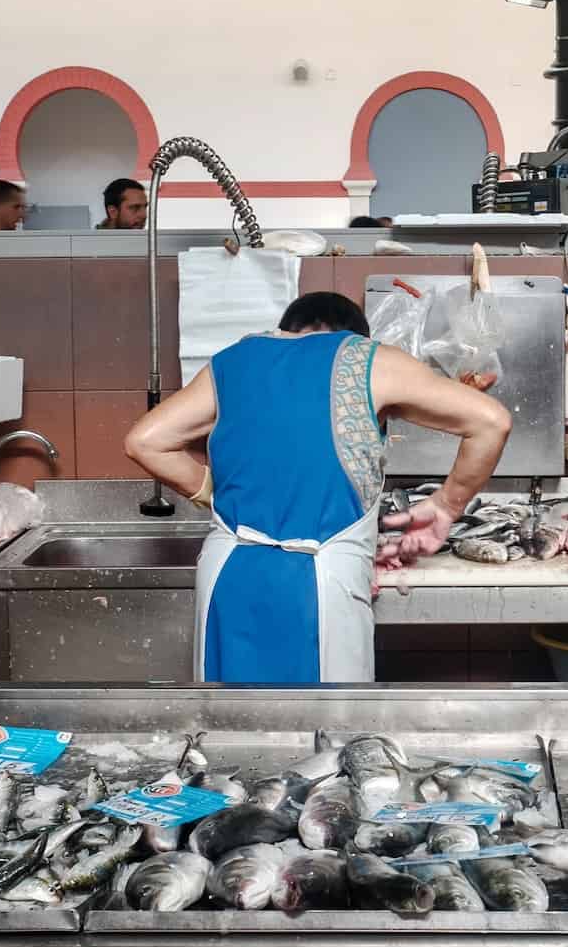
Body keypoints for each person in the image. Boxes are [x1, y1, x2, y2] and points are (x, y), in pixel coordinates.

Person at [123, 289, 511, 683]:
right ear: (355, 335)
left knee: (229, 725)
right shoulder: (369, 358)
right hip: (323, 584)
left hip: (227, 576)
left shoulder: (231, 361)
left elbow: (144, 442)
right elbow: (491, 421)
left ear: (286, 331)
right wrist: (446, 506)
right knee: (325, 731)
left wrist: (216, 497)